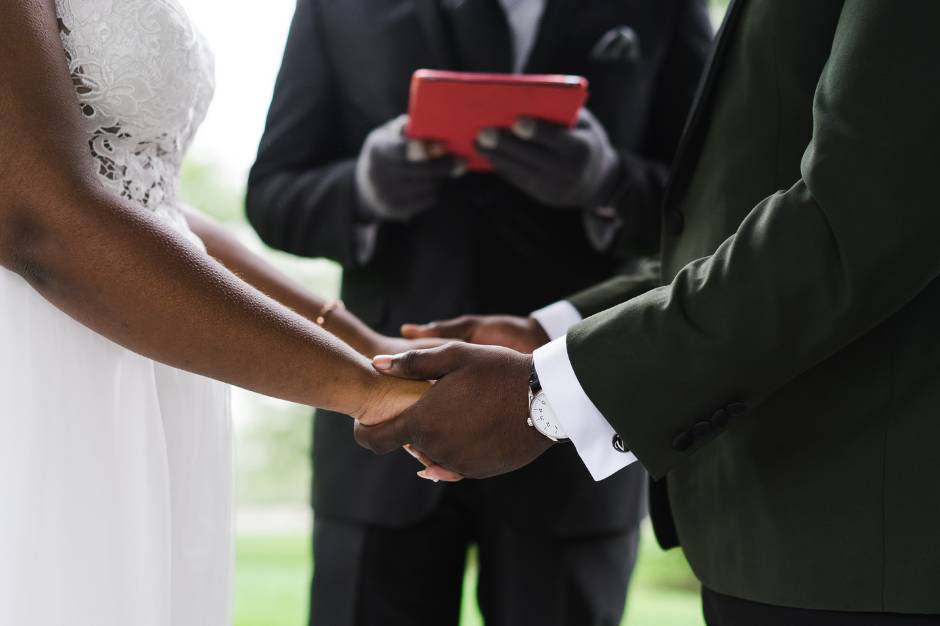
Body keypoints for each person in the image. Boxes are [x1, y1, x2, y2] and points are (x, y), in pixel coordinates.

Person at [357, 1, 940, 625]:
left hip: (866, 545)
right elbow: (723, 222)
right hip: (775, 530)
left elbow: (856, 216)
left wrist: (546, 394)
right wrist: (545, 333)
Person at [246, 1, 712, 624]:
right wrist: (363, 188)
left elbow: (713, 202)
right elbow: (273, 194)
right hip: (381, 419)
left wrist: (607, 183)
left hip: (571, 419)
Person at [0, 1, 436, 624]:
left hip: (151, 355)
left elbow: (159, 206)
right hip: (40, 357)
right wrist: (367, 392)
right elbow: (40, 219)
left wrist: (363, 343)